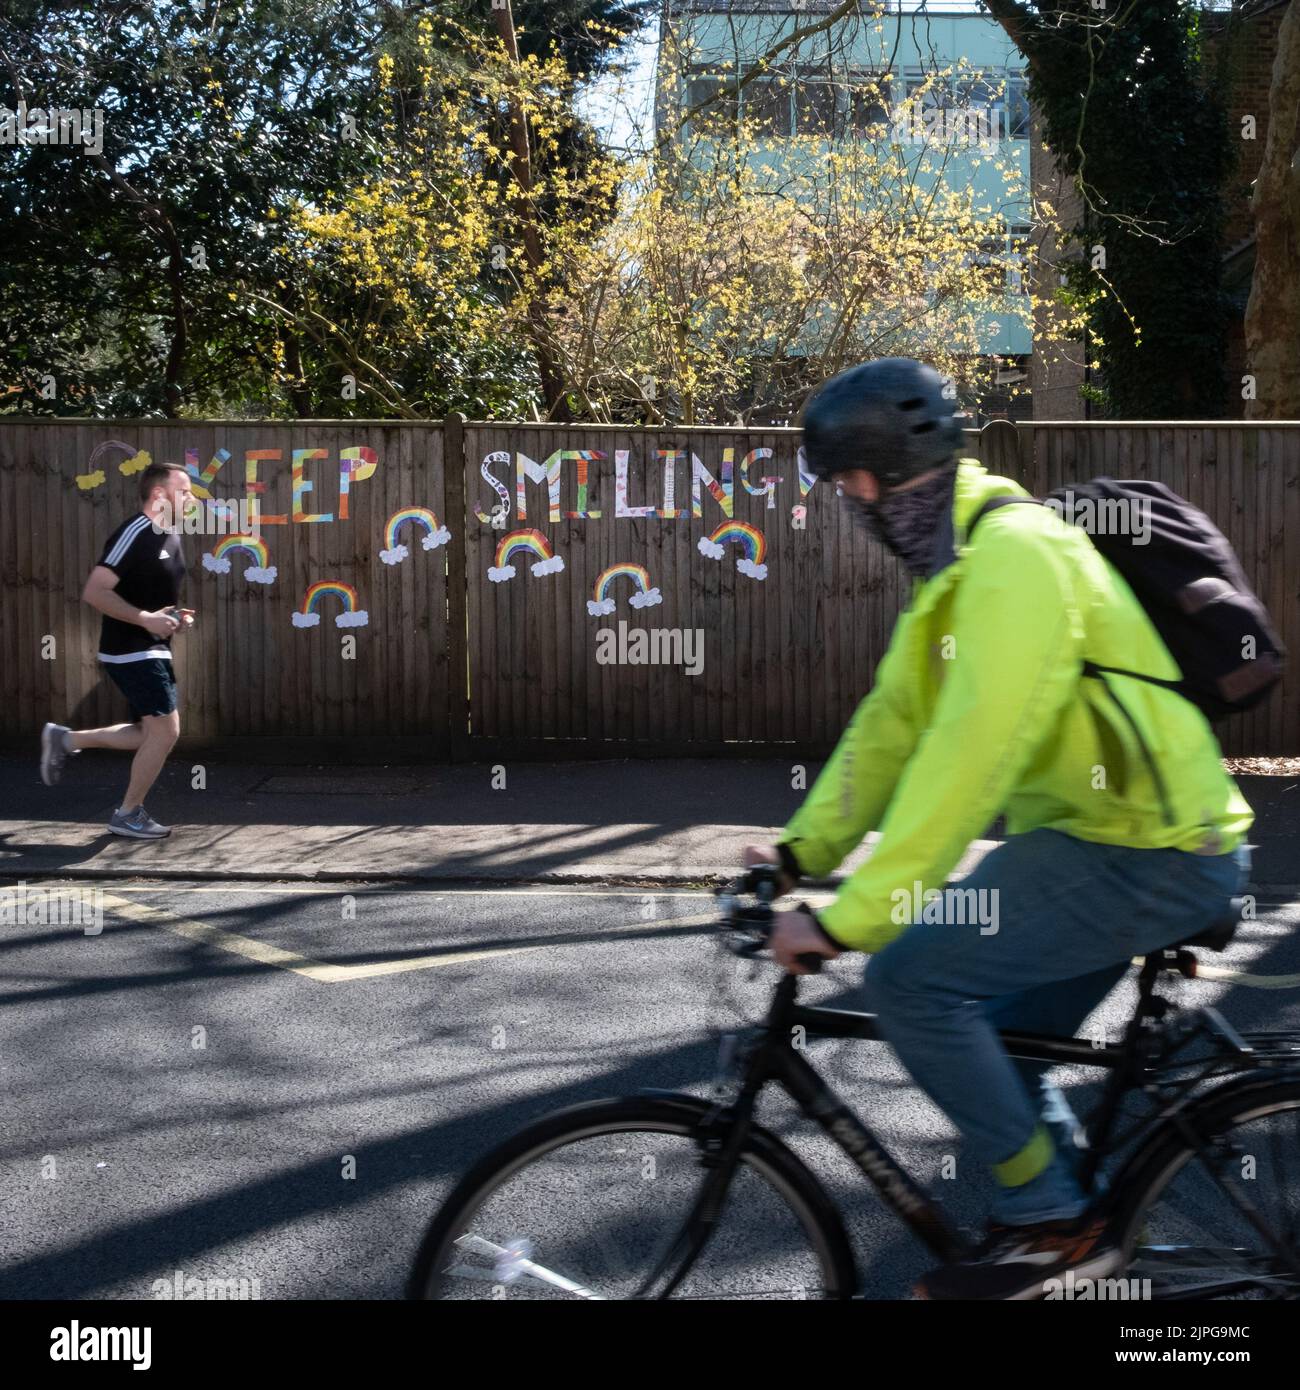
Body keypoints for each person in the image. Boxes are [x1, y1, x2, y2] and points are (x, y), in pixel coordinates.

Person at [746, 358, 1252, 1300]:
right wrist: (796, 853)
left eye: (854, 480)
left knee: (914, 983)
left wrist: (848, 919)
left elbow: (966, 761)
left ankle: (1054, 1232)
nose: (851, 505)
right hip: (1098, 837)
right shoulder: (953, 577)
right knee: (1003, 1042)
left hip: (1151, 845)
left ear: (901, 471)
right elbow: (892, 730)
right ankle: (1073, 1229)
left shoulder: (1016, 557)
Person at [40, 461, 196, 839]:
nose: (192, 498)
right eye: (185, 490)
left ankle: (65, 739)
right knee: (165, 732)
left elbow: (144, 593)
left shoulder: (169, 533)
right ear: (159, 494)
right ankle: (127, 814)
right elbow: (95, 591)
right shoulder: (137, 531)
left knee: (148, 733)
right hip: (131, 649)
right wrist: (145, 619)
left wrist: (172, 616)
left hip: (152, 646)